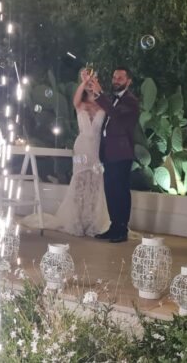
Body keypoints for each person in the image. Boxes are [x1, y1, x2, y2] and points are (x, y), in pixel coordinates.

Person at [54, 69, 110, 236]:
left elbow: (107, 103)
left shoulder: (103, 105)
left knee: (95, 183)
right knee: (79, 181)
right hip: (82, 147)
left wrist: (97, 86)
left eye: (93, 81)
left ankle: (92, 222)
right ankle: (76, 221)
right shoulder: (80, 104)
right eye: (88, 83)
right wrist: (84, 81)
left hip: (97, 148)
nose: (90, 84)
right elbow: (76, 99)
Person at [88, 67, 139, 243]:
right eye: (114, 77)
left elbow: (116, 115)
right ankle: (114, 226)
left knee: (120, 191)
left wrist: (100, 94)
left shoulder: (130, 101)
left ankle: (122, 229)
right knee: (110, 191)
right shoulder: (112, 99)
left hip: (122, 152)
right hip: (109, 152)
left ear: (128, 81)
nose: (116, 80)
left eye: (120, 78)